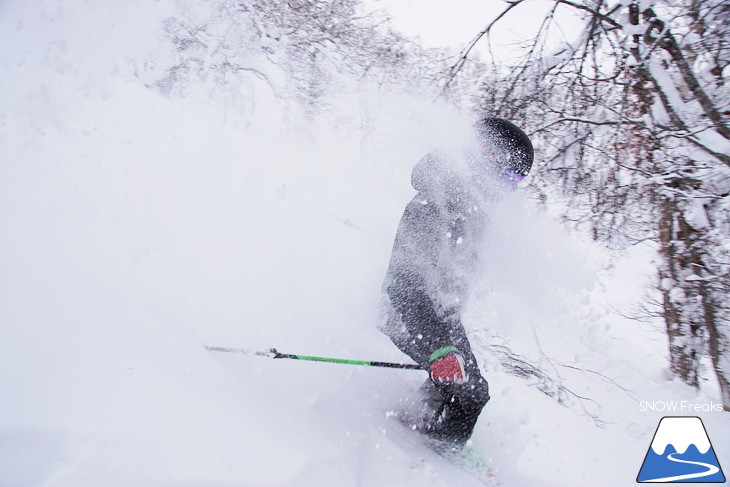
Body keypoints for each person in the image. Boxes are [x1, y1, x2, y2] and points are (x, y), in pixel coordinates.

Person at [380, 117, 534, 450]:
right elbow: (403, 286)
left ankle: (422, 418)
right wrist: (441, 349)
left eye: (517, 182)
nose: (511, 189)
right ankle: (435, 456)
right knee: (471, 393)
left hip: (437, 317)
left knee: (457, 385)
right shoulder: (433, 205)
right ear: (489, 159)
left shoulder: (469, 208)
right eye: (510, 177)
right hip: (408, 315)